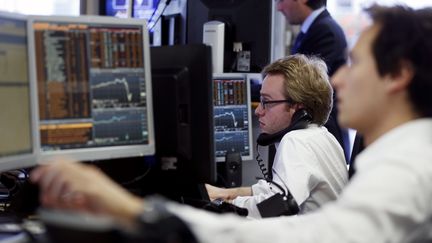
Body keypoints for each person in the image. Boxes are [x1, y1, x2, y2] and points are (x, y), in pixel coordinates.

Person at [31, 5, 432, 243]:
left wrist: (133, 210)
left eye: (357, 64)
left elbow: (293, 228)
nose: (340, 79)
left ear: (398, 74)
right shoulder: (396, 154)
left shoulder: (407, 169)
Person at [206, 54, 348, 218]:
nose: (258, 110)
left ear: (296, 107)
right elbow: (276, 191)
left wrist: (224, 205)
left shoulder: (296, 141)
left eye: (266, 101)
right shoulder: (321, 136)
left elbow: (278, 206)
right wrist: (226, 193)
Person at [277, 0, 352, 161]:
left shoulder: (325, 31)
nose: (279, 8)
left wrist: (252, 90)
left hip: (324, 133)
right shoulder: (313, 29)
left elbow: (300, 84)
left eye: (282, 0)